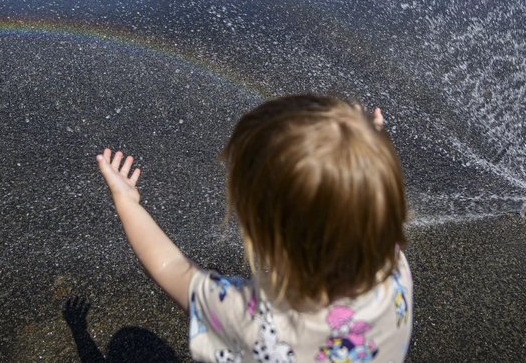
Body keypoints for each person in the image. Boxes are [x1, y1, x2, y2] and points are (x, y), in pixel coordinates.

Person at [96, 95, 412, 363]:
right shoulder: (388, 262)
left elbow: (171, 267)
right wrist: (368, 149)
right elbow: (366, 202)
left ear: (269, 233)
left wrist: (127, 203)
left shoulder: (258, 323)